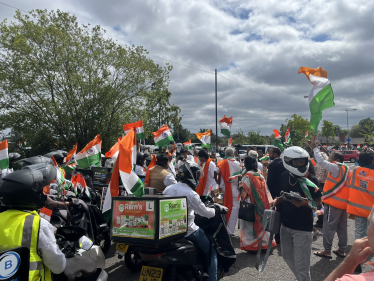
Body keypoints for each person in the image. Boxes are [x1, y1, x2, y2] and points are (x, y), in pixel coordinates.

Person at [0, 164, 67, 279]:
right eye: (40, 192)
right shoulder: (39, 225)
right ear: (29, 196)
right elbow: (58, 266)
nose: (43, 195)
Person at [163, 162, 225, 281]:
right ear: (191, 176)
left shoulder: (168, 189)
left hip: (169, 230)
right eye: (197, 175)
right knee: (212, 251)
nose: (198, 178)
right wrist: (216, 210)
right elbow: (205, 213)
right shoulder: (191, 194)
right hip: (188, 231)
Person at [272, 146, 322, 281]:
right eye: (296, 162)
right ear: (287, 162)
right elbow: (284, 194)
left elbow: (319, 205)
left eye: (302, 161)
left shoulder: (312, 181)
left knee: (302, 266)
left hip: (303, 229)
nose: (300, 164)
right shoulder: (284, 176)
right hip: (285, 225)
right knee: (287, 257)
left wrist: (305, 204)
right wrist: (278, 199)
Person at [307, 140, 350, 261]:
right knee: (342, 228)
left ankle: (327, 250)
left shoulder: (335, 167)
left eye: (331, 156)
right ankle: (341, 249)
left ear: (336, 158)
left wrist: (314, 148)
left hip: (333, 202)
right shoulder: (346, 168)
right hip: (343, 203)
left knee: (329, 227)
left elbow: (321, 161)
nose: (329, 158)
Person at [324, 205, 374, 281]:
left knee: (359, 232)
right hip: (360, 207)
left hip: (359, 208)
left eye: (370, 223)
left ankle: (357, 264)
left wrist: (350, 261)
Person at [346, 151, 374, 273]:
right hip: (371, 211)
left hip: (357, 209)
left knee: (359, 235)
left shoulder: (356, 170)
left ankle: (357, 262)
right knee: (371, 235)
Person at [239, 156, 276, 251]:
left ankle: (252, 246)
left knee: (250, 226)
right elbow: (265, 190)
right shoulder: (260, 175)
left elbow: (245, 193)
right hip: (262, 203)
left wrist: (240, 187)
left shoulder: (247, 176)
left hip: (251, 204)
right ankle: (264, 244)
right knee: (262, 224)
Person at [214, 147, 241, 235]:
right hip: (234, 189)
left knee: (221, 207)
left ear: (225, 154)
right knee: (234, 209)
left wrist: (217, 180)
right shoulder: (238, 163)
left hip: (223, 189)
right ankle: (230, 231)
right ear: (233, 154)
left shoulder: (223, 162)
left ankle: (221, 229)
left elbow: (215, 171)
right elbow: (240, 175)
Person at [314, 150, 329, 228]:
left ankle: (321, 220)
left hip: (320, 185)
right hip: (323, 185)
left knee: (320, 204)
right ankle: (322, 220)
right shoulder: (326, 165)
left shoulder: (319, 165)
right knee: (322, 204)